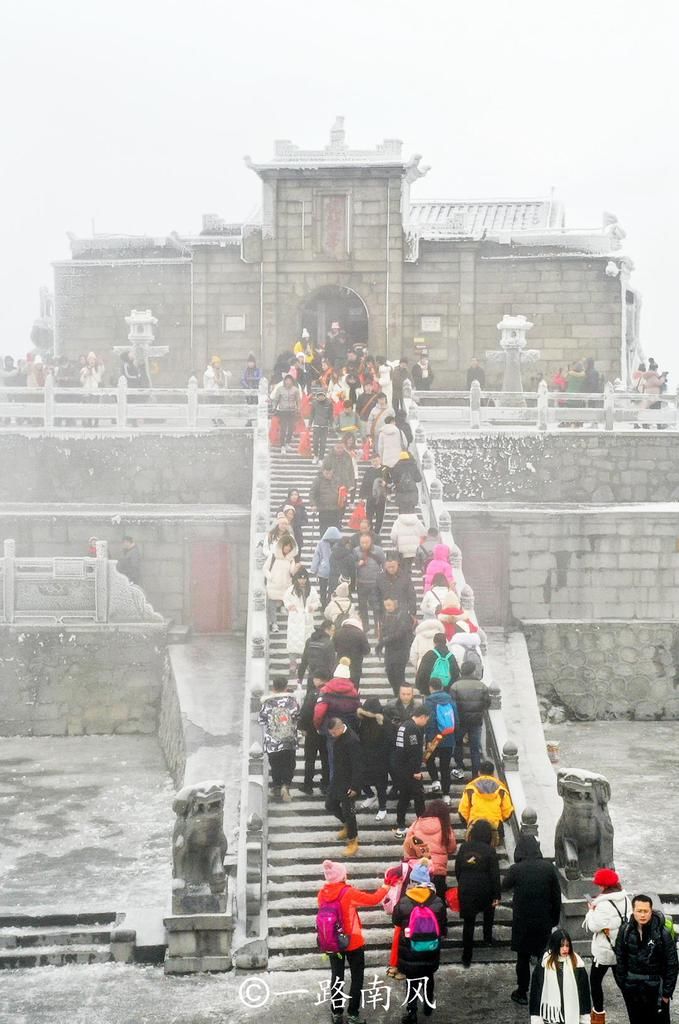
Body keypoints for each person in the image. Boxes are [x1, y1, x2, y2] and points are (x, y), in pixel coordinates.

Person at [317, 859, 388, 1024]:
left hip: (333, 941)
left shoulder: (322, 893)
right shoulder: (348, 892)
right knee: (357, 977)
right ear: (342, 875)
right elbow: (373, 900)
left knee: (337, 976)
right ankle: (353, 1014)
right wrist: (386, 887)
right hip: (353, 941)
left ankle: (336, 1012)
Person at [502, 835, 562, 1006]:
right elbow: (556, 897)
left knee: (522, 957)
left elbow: (505, 885)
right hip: (543, 920)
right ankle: (543, 990)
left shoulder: (516, 869)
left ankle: (522, 992)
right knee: (544, 956)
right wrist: (554, 919)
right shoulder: (548, 868)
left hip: (522, 921)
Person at [392, 860, 447, 1023]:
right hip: (431, 948)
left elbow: (395, 921)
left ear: (413, 882)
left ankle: (412, 1012)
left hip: (410, 949)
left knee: (412, 980)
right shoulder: (437, 902)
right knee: (428, 976)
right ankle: (428, 1005)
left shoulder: (404, 902)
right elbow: (443, 926)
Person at [615, 894, 678, 1024]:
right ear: (633, 911)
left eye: (646, 911)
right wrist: (623, 984)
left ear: (651, 911)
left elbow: (672, 964)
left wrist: (666, 993)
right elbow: (620, 957)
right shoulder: (625, 930)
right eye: (639, 911)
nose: (642, 915)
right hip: (632, 987)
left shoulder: (662, 933)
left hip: (656, 988)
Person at [583, 867, 631, 1022]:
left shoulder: (601, 904)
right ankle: (634, 1011)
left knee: (595, 982)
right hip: (620, 949)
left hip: (604, 951)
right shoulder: (625, 899)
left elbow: (593, 927)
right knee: (623, 983)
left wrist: (591, 910)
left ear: (604, 886)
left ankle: (598, 1015)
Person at [455, 818, 501, 967]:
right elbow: (495, 875)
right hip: (484, 889)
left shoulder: (463, 847)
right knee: (488, 913)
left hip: (466, 888)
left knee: (469, 923)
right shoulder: (490, 850)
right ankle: (487, 938)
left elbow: (457, 869)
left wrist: (462, 883)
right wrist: (496, 895)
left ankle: (466, 956)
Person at [530, 930, 592, 1023]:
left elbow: (584, 993)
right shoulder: (544, 964)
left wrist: (585, 1018)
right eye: (561, 946)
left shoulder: (578, 964)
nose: (565, 949)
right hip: (551, 1016)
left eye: (567, 945)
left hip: (571, 1014)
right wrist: (536, 1018)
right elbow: (536, 992)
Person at [324, 717, 363, 857]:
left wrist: (355, 787)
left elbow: (358, 765)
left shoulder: (352, 740)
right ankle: (346, 825)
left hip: (349, 783)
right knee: (330, 805)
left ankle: (353, 841)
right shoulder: (339, 737)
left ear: (340, 728)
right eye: (331, 733)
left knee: (349, 812)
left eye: (333, 732)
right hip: (337, 780)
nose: (332, 735)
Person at [258, 676, 300, 803]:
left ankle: (276, 786)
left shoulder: (267, 702)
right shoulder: (292, 701)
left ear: (273, 687)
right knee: (289, 763)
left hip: (273, 741)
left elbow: (261, 720)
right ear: (286, 686)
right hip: (289, 740)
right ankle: (286, 786)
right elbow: (297, 716)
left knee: (275, 765)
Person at [405, 801, 457, 901]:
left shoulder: (416, 824)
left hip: (419, 871)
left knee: (419, 903)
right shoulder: (445, 826)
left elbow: (408, 846)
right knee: (438, 904)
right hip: (438, 871)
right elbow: (452, 848)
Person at [392, 705, 430, 839]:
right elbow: (413, 752)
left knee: (404, 798)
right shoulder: (413, 729)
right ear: (422, 717)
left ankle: (400, 826)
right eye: (426, 720)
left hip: (401, 769)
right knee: (419, 798)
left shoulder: (404, 725)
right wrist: (415, 771)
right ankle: (422, 825)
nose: (426, 723)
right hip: (409, 770)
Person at [449, 665, 491, 779]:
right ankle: (475, 773)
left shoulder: (455, 686)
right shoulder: (482, 686)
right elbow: (487, 703)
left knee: (458, 744)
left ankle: (460, 766)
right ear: (473, 671)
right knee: (475, 748)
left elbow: (452, 705)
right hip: (476, 722)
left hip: (460, 721)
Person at [423, 678, 459, 797]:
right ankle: (446, 795)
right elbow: (456, 721)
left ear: (430, 687)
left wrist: (429, 739)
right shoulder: (450, 700)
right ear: (442, 687)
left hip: (435, 739)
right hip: (448, 738)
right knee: (445, 767)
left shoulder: (428, 702)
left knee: (428, 759)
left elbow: (429, 722)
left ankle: (435, 780)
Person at [356, 697, 390, 821]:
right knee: (361, 779)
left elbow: (389, 739)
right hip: (365, 756)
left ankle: (382, 808)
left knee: (381, 785)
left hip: (380, 758)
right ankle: (370, 795)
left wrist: (382, 725)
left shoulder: (383, 722)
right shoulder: (362, 722)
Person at [283, 565, 320, 676]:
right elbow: (286, 600)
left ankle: (307, 663)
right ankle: (293, 663)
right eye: (300, 578)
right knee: (293, 641)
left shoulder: (312, 590)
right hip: (295, 619)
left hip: (307, 619)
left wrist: (312, 607)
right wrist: (290, 606)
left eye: (304, 578)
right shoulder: (291, 590)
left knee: (307, 642)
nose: (302, 580)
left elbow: (316, 602)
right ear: (296, 579)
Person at [299, 670, 330, 795]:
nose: (313, 681)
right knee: (326, 759)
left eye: (314, 678)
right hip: (327, 731)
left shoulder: (313, 694)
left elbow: (306, 712)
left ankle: (308, 785)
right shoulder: (331, 693)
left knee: (310, 759)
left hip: (312, 731)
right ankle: (325, 785)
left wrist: (303, 727)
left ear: (319, 679)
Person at [377, 597, 413, 696]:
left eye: (389, 605)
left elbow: (400, 633)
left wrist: (384, 641)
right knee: (389, 672)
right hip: (389, 649)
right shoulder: (385, 616)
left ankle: (401, 695)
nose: (387, 608)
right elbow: (383, 631)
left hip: (401, 649)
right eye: (385, 606)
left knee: (398, 674)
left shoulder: (403, 615)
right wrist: (381, 642)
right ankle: (396, 694)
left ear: (395, 604)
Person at [353, 535, 385, 635]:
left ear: (371, 542)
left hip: (375, 583)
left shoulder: (378, 550)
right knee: (362, 607)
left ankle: (377, 627)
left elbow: (384, 563)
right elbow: (352, 564)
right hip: (361, 583)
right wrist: (358, 564)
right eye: (362, 542)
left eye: (366, 542)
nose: (364, 545)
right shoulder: (356, 551)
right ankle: (365, 626)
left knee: (376, 606)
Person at [264, 535, 297, 634]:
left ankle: (291, 627)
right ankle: (274, 624)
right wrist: (270, 577)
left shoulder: (291, 559)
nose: (287, 548)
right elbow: (265, 568)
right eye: (286, 546)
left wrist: (296, 569)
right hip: (273, 585)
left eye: (289, 547)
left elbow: (292, 572)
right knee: (272, 606)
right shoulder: (273, 556)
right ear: (281, 546)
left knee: (288, 604)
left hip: (285, 586)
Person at [415, 631, 461, 696]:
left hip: (429, 690)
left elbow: (422, 673)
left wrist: (421, 688)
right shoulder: (451, 656)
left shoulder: (429, 654)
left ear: (434, 642)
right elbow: (455, 674)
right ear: (445, 642)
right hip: (446, 691)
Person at [376, 553, 417, 621]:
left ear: (397, 564)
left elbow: (411, 595)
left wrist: (412, 612)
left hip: (402, 614)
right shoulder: (380, 578)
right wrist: (378, 608)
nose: (391, 569)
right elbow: (375, 595)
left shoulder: (405, 577)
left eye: (393, 566)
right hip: (385, 614)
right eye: (389, 567)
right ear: (385, 566)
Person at [310, 526, 343, 608]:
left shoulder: (321, 543)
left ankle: (326, 604)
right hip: (332, 570)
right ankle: (326, 604)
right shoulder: (340, 544)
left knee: (324, 589)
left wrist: (314, 569)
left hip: (325, 569)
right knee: (327, 589)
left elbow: (317, 556)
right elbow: (317, 555)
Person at [334, 616, 370, 688]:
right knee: (353, 687)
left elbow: (334, 647)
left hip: (340, 665)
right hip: (355, 665)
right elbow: (366, 650)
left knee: (340, 686)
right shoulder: (360, 633)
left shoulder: (338, 632)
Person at [297, 620, 336, 687]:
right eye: (333, 630)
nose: (334, 632)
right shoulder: (329, 643)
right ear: (327, 630)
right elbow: (331, 664)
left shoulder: (309, 641)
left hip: (312, 677)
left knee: (310, 696)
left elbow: (304, 661)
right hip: (324, 679)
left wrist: (300, 677)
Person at [390, 512, 427, 579]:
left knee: (403, 567)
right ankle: (407, 580)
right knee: (409, 566)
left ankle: (405, 581)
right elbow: (424, 533)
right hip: (414, 549)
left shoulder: (398, 521)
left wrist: (396, 543)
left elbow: (393, 535)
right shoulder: (417, 521)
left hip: (402, 549)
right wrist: (419, 542)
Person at [309, 467, 343, 539]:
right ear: (323, 471)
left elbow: (341, 491)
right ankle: (323, 545)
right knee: (324, 529)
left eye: (330, 473)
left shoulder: (336, 479)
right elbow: (312, 493)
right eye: (326, 473)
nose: (328, 475)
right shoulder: (318, 480)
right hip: (323, 509)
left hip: (335, 509)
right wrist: (313, 505)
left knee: (336, 529)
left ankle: (335, 547)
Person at [271, 373, 301, 452]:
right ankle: (282, 445)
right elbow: (276, 399)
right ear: (284, 381)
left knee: (291, 428)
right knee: (283, 429)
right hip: (283, 411)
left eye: (290, 380)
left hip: (292, 411)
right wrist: (274, 407)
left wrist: (298, 408)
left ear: (292, 381)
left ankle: (287, 443)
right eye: (287, 380)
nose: (288, 382)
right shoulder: (280, 389)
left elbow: (298, 400)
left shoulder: (295, 390)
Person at [359, 454, 387, 537]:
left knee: (379, 517)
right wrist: (361, 496)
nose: (375, 462)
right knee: (369, 516)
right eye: (373, 461)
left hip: (381, 498)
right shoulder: (369, 471)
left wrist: (386, 483)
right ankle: (370, 533)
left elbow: (390, 482)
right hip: (370, 497)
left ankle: (377, 533)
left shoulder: (384, 470)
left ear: (380, 460)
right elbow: (364, 483)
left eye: (376, 460)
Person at [309, 388, 333, 464]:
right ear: (317, 396)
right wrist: (310, 424)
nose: (320, 397)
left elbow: (331, 415)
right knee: (315, 442)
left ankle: (321, 458)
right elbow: (312, 414)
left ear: (324, 395)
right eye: (319, 395)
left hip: (325, 426)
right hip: (316, 425)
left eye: (322, 395)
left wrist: (331, 425)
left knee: (323, 443)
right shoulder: (314, 403)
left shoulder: (329, 403)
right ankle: (315, 456)